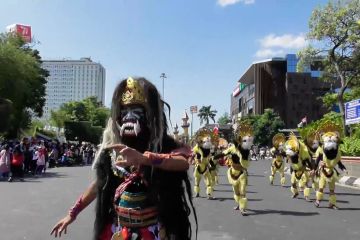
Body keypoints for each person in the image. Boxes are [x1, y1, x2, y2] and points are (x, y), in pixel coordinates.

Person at [51, 77, 197, 240]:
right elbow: (100, 184)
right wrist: (73, 213)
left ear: (149, 115)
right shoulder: (114, 149)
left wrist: (145, 159)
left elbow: (182, 163)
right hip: (119, 230)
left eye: (136, 110)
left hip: (153, 231)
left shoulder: (162, 145)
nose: (129, 117)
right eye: (124, 111)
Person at [215, 123, 254, 216]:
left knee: (243, 191)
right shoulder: (232, 148)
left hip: (242, 173)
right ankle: (238, 204)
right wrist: (214, 157)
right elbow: (223, 153)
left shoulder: (247, 151)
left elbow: (246, 161)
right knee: (236, 191)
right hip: (233, 172)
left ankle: (242, 208)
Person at [313, 122, 347, 209]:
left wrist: (343, 169)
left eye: (332, 140)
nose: (330, 141)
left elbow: (339, 162)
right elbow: (317, 160)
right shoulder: (322, 150)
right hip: (323, 171)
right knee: (321, 188)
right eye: (328, 140)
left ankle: (332, 204)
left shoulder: (337, 152)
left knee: (332, 190)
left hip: (332, 172)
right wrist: (314, 169)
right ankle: (318, 200)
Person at [284, 133, 313, 201]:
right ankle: (295, 193)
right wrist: (291, 170)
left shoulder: (302, 155)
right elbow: (291, 164)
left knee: (305, 184)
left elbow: (308, 161)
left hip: (302, 170)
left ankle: (306, 197)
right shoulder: (290, 155)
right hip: (295, 171)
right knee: (293, 183)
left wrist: (312, 169)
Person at [192, 128, 217, 199]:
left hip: (205, 167)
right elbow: (193, 153)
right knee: (197, 180)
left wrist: (212, 164)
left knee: (208, 181)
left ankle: (209, 194)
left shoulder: (208, 148)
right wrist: (194, 158)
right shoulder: (197, 148)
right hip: (199, 166)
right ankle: (197, 193)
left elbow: (209, 158)